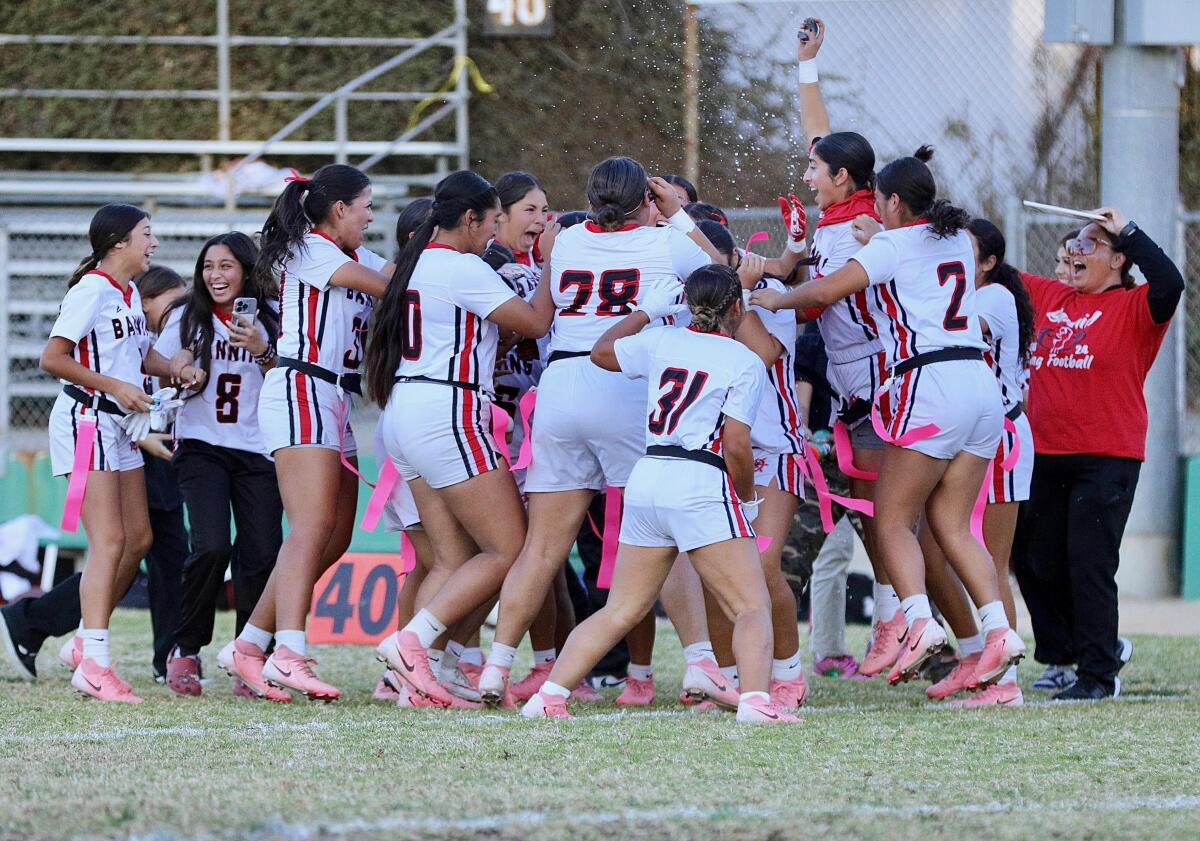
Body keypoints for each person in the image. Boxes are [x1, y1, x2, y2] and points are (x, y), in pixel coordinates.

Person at [752, 147, 1025, 688]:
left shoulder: (892, 245)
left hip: (931, 380)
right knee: (950, 526)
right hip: (981, 387)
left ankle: (917, 623)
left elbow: (827, 292)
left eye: (878, 201)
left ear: (894, 201)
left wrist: (773, 299)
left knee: (892, 518)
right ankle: (998, 634)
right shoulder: (957, 241)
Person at [476, 157, 725, 708]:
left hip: (561, 384)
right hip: (626, 380)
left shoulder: (564, 241)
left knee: (541, 548)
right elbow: (723, 271)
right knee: (666, 534)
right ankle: (701, 664)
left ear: (590, 200)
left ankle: (496, 667)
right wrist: (679, 215)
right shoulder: (665, 243)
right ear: (645, 200)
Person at [522, 264, 797, 724]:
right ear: (737, 307)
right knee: (750, 604)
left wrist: (645, 313)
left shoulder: (662, 341)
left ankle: (549, 695)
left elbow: (601, 351)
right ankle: (755, 703)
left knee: (621, 610)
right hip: (699, 480)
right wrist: (747, 500)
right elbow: (736, 444)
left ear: (687, 304)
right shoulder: (744, 361)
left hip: (648, 475)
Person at [367, 170, 552, 708]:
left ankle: (427, 678)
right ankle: (414, 645)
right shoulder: (461, 264)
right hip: (448, 407)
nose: (495, 233)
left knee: (452, 558)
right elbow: (537, 322)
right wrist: (552, 262)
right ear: (468, 220)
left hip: (408, 406)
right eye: (492, 222)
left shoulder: (416, 261)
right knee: (510, 548)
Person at [217, 164, 393, 701]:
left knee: (333, 536)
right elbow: (392, 286)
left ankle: (247, 646)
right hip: (300, 388)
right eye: (365, 204)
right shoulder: (311, 249)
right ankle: (289, 652)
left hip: (332, 397)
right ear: (339, 209)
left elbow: (396, 274)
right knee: (311, 526)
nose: (370, 214)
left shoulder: (351, 254)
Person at [1013, 207, 1183, 701]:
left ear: (1118, 260)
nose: (1075, 252)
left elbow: (1170, 281)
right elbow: (993, 266)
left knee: (1088, 561)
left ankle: (1097, 674)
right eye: (1074, 246)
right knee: (1032, 558)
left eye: (1090, 245)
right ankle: (1080, 649)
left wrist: (1128, 228)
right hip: (1046, 451)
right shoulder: (1053, 296)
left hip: (1106, 455)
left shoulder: (1136, 307)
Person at [790, 19, 902, 678]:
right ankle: (907, 621)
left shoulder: (864, 227)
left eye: (814, 166)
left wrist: (766, 285)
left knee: (895, 519)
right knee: (879, 518)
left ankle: (903, 622)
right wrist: (807, 65)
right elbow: (818, 129)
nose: (806, 172)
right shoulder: (843, 209)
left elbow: (814, 300)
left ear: (843, 176)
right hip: (859, 391)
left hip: (882, 388)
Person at [145, 233, 285, 700]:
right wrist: (182, 367)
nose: (216, 275)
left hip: (259, 449)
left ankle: (250, 652)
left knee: (262, 553)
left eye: (226, 265)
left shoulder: (272, 314)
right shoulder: (188, 314)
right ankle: (185, 647)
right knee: (210, 546)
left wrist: (263, 349)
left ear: (246, 269)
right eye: (208, 266)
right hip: (203, 444)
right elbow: (164, 362)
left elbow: (287, 377)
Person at [40, 203, 157, 702]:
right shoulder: (91, 289)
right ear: (118, 244)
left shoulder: (128, 291)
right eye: (146, 234)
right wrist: (112, 385)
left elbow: (139, 354)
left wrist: (178, 366)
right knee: (108, 540)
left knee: (138, 539)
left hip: (117, 425)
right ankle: (95, 663)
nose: (153, 243)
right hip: (86, 422)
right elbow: (52, 357)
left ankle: (85, 644)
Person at [921, 218, 1036, 707]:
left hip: (1003, 437)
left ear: (988, 262)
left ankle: (1004, 685)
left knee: (990, 562)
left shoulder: (994, 298)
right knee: (931, 548)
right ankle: (973, 655)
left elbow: (960, 330)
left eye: (964, 249)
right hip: (966, 433)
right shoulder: (961, 288)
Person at [132, 265, 190, 684]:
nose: (178, 312)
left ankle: (166, 655)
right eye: (171, 303)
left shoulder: (171, 340)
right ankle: (30, 620)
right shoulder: (134, 340)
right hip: (137, 455)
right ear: (145, 302)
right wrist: (144, 439)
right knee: (126, 551)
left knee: (166, 557)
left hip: (163, 454)